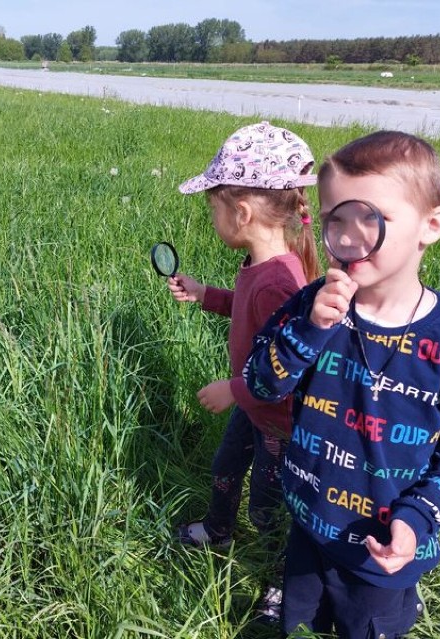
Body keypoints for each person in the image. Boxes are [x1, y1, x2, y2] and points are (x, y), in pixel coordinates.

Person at [243, 130, 440, 638]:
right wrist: (308, 332)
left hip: (383, 544)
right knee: (302, 623)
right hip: (308, 516)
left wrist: (418, 517)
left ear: (431, 225)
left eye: (372, 219)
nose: (348, 239)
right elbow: (260, 382)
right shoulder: (312, 306)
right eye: (334, 221)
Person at [168, 121, 321, 623]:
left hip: (276, 419)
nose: (212, 218)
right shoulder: (268, 266)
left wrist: (234, 389)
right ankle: (218, 528)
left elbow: (292, 365)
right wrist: (205, 294)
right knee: (225, 466)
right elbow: (250, 312)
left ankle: (283, 584)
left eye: (213, 207)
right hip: (255, 409)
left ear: (242, 211)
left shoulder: (278, 278)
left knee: (270, 507)